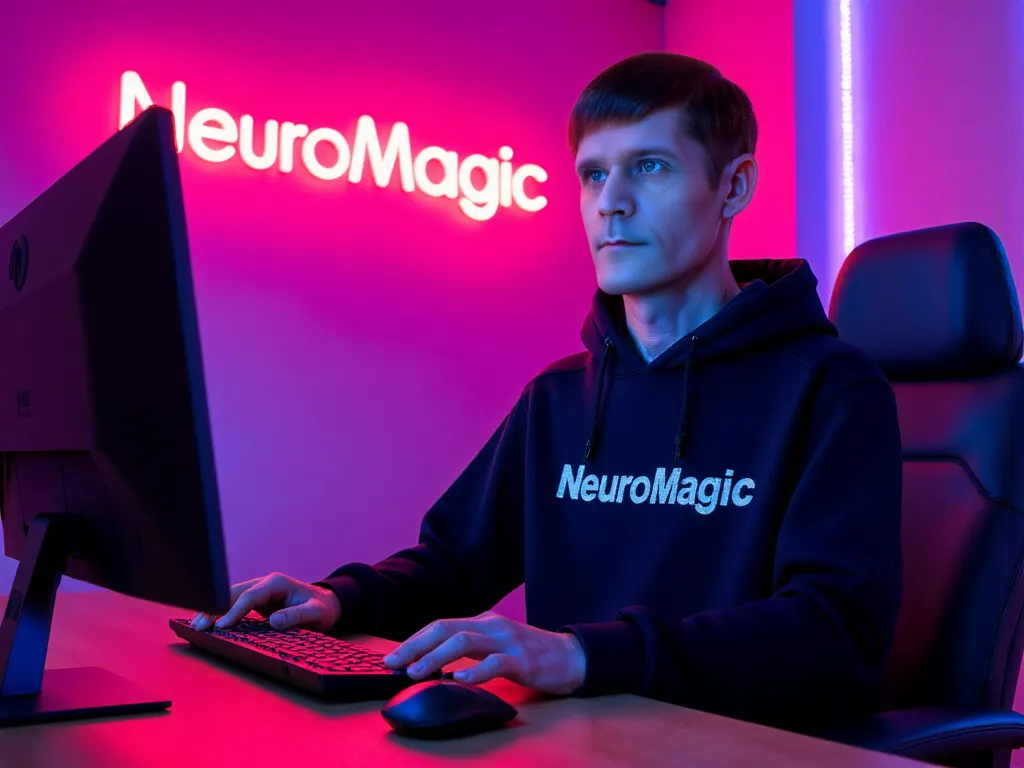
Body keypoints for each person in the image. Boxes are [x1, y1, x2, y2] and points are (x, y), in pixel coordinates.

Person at [192, 52, 903, 733]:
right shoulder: (560, 396)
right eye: (593, 176)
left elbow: (834, 631)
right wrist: (338, 598)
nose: (611, 204)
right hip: (573, 741)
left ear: (734, 187)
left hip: (735, 749)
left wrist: (583, 654)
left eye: (648, 168)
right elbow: (454, 563)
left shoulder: (832, 388)